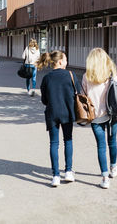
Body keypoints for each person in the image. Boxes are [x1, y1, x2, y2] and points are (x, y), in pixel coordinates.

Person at [38, 50, 80, 187]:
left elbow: (44, 99)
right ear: (60, 61)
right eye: (66, 59)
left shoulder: (47, 78)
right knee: (68, 140)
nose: (67, 62)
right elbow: (77, 94)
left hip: (52, 113)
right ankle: (68, 171)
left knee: (54, 143)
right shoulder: (71, 75)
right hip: (67, 113)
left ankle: (55, 175)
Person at [81, 48, 117, 189]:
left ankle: (104, 178)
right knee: (112, 141)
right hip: (112, 114)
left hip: (95, 116)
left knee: (101, 146)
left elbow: (83, 96)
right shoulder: (110, 74)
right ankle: (113, 167)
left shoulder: (86, 76)